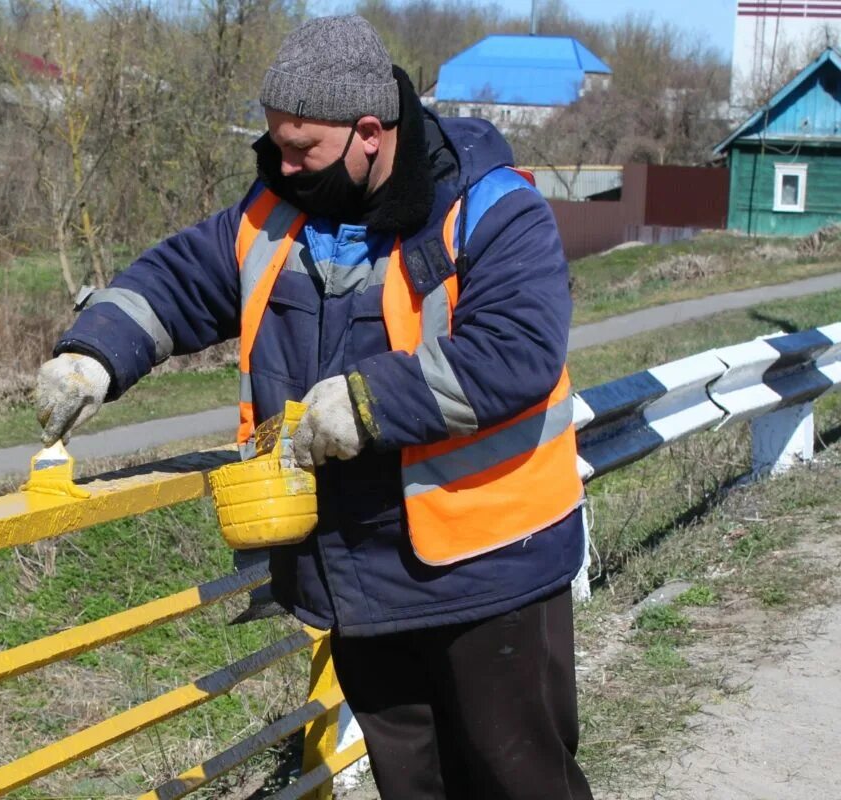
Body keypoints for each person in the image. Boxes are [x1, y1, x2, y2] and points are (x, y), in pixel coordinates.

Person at [35, 14, 592, 799]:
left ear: (371, 132)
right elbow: (180, 281)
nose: (285, 167)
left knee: (515, 779)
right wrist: (93, 355)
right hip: (359, 575)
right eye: (277, 146)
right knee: (413, 784)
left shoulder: (492, 211)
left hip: (490, 567)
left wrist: (367, 404)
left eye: (304, 150)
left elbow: (516, 352)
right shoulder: (273, 214)